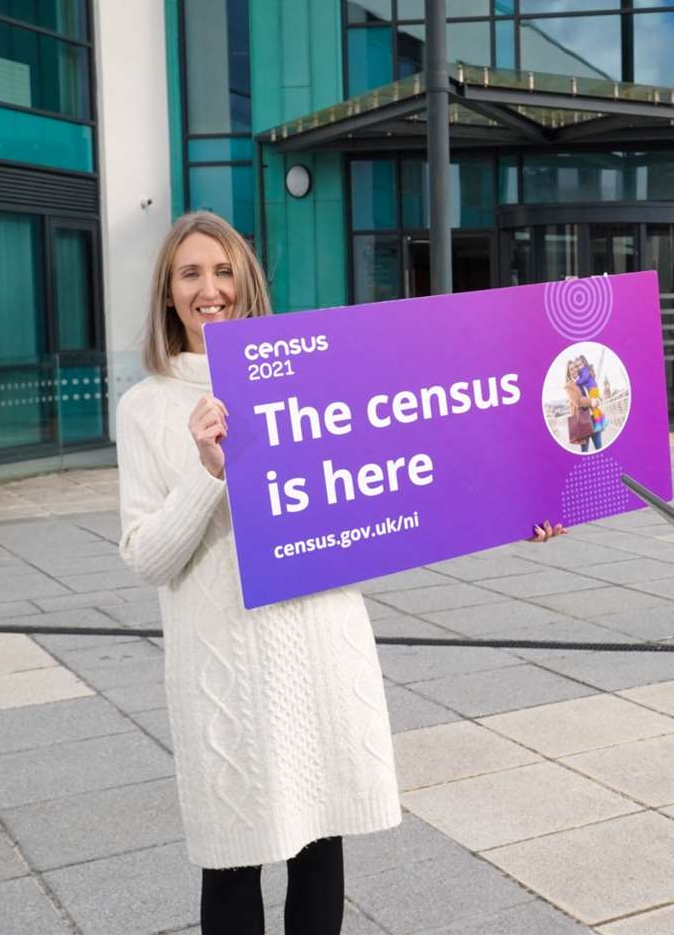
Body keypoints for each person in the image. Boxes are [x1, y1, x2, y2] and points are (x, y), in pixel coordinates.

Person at [118, 212, 564, 933]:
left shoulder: (307, 377)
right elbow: (147, 557)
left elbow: (422, 455)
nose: (210, 289)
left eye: (224, 270)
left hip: (316, 642)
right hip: (223, 661)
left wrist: (523, 502)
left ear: (247, 282)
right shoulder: (144, 408)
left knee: (320, 847)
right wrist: (210, 476)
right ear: (167, 293)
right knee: (232, 858)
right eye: (190, 273)